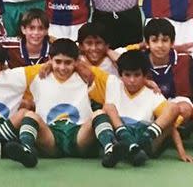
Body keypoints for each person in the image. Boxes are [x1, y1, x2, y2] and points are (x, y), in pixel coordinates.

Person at [9, 38, 125, 168]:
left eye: (68, 63)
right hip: (51, 137)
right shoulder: (37, 74)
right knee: (30, 116)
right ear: (50, 59)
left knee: (99, 113)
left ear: (76, 61)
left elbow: (119, 83)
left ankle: (110, 150)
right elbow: (6, 77)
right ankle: (26, 151)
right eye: (58, 62)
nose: (62, 67)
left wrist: (147, 82)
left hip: (79, 136)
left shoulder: (88, 75)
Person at [102, 50, 192, 165]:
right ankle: (130, 145)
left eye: (137, 75)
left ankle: (141, 142)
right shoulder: (112, 84)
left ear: (145, 76)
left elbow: (171, 126)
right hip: (120, 136)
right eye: (127, 75)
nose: (132, 80)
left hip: (147, 138)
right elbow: (85, 67)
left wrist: (181, 152)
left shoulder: (153, 95)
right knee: (107, 107)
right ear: (120, 75)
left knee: (173, 107)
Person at [110, 18, 193, 128]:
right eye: (154, 40)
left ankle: (157, 130)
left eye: (165, 40)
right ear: (147, 43)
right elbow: (116, 55)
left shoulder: (185, 60)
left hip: (175, 101)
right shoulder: (139, 58)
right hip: (148, 102)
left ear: (172, 42)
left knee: (184, 109)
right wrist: (139, 46)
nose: (160, 45)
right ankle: (167, 131)